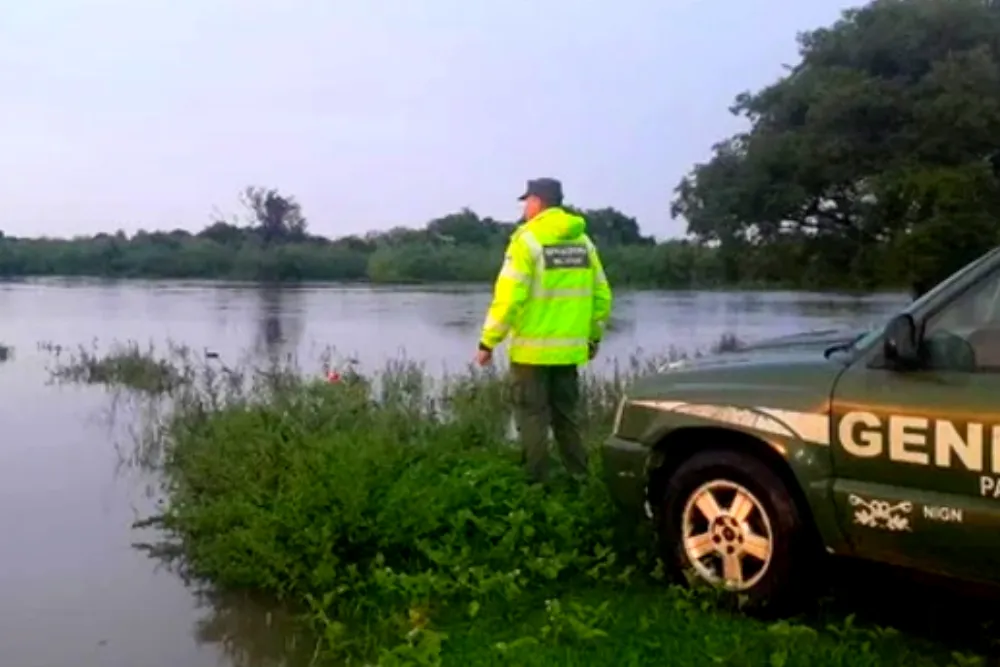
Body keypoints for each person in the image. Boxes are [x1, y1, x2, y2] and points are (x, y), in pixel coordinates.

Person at [475, 177, 613, 484]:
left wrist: (488, 342)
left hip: (531, 353)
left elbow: (508, 298)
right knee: (567, 417)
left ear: (538, 201)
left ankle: (536, 485)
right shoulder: (583, 242)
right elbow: (602, 296)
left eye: (527, 201)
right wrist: (592, 338)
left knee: (532, 417)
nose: (525, 207)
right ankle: (580, 478)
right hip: (569, 353)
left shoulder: (526, 240)